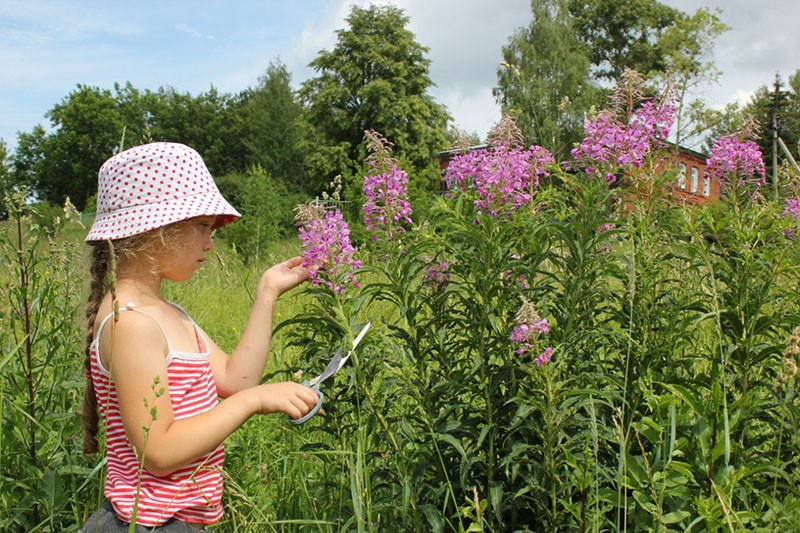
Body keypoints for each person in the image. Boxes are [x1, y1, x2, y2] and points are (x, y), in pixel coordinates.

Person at [80, 142, 319, 532]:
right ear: (157, 229)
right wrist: (254, 402)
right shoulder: (134, 323)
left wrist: (268, 292)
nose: (210, 241)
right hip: (145, 524)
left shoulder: (168, 314)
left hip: (174, 521)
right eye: (203, 226)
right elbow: (157, 451)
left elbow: (236, 380)